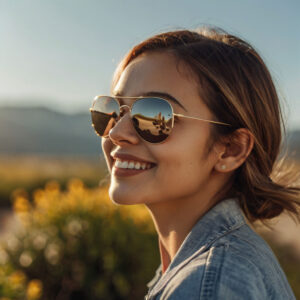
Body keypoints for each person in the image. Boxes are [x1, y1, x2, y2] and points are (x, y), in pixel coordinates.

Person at [90, 27, 300, 299]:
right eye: (113, 110)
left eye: (155, 116)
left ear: (230, 150)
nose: (117, 132)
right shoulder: (218, 264)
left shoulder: (206, 285)